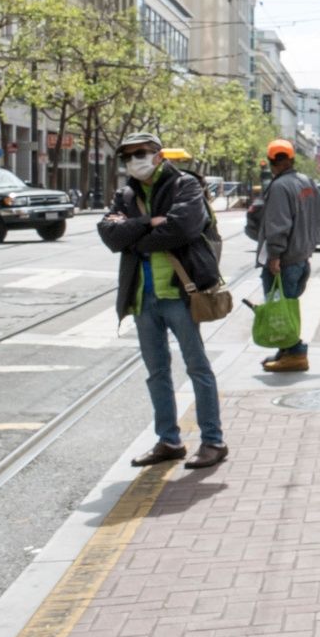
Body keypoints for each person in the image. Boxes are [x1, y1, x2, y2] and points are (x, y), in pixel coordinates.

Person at [97, 131, 228, 469]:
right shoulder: (126, 194)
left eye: (140, 153)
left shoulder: (185, 185)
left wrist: (135, 238)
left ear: (158, 154)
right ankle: (169, 440)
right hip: (143, 296)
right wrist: (148, 222)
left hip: (180, 293)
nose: (134, 160)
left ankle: (213, 441)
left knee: (197, 367)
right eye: (127, 156)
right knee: (156, 372)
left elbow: (182, 228)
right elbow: (110, 235)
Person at [247, 138, 320, 373]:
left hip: (283, 262)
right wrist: (314, 241)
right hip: (301, 258)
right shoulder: (307, 182)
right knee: (287, 307)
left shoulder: (279, 187)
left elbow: (279, 224)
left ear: (271, 161)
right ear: (292, 159)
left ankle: (295, 352)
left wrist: (275, 255)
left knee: (280, 310)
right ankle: (286, 351)